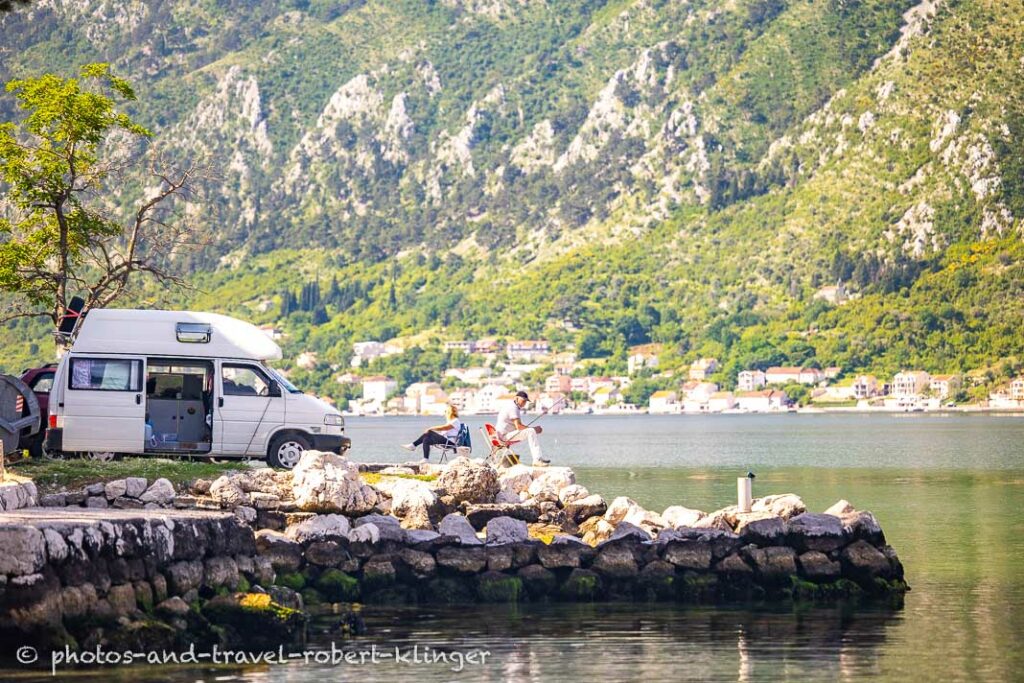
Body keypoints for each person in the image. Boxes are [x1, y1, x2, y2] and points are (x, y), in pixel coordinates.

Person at [496, 390, 550, 466]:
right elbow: (519, 426)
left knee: (530, 431)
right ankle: (537, 459)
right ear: (516, 398)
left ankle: (538, 458)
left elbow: (518, 426)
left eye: (525, 402)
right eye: (523, 401)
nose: (524, 403)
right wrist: (534, 429)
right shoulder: (513, 408)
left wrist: (530, 429)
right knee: (531, 431)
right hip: (504, 437)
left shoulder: (511, 405)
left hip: (503, 435)